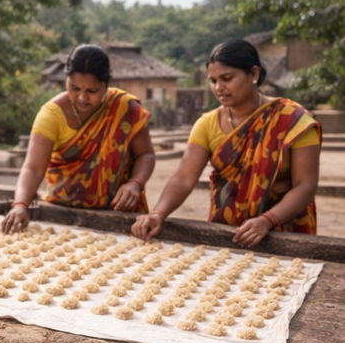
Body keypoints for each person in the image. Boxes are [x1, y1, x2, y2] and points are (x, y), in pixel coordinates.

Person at [133, 39, 320, 246]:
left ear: (254, 74)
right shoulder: (207, 124)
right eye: (213, 81)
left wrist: (267, 220)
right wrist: (159, 213)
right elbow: (184, 178)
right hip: (230, 234)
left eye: (227, 78)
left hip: (286, 232)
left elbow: (305, 186)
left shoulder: (293, 121)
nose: (219, 88)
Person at [1, 44, 155, 234]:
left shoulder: (125, 109)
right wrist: (20, 204)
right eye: (74, 88)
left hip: (120, 214)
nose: (82, 97)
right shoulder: (51, 115)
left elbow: (145, 154)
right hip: (62, 214)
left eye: (92, 91)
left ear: (108, 82)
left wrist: (135, 183)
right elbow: (33, 168)